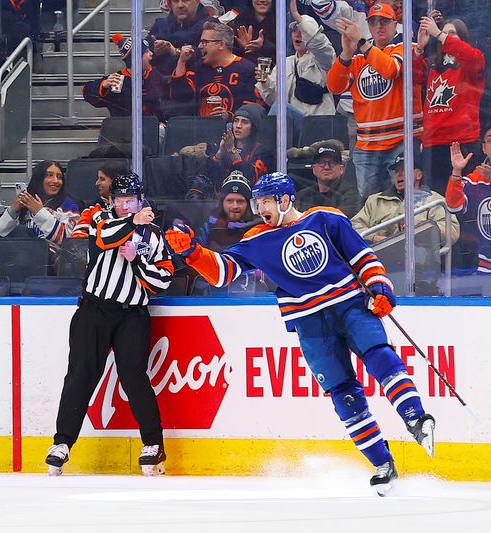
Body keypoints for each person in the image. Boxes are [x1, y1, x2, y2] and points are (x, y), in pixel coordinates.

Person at [165, 172, 435, 495]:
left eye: (265, 201)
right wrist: (194, 253)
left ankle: (416, 419)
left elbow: (362, 256)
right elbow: (223, 273)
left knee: (379, 355)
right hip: (309, 322)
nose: (259, 208)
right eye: (257, 202)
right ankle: (382, 463)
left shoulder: (326, 219)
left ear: (285, 199)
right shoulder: (257, 239)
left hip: (350, 304)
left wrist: (379, 286)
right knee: (342, 393)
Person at [45, 173, 173, 477]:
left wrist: (138, 261)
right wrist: (133, 224)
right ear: (111, 200)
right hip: (93, 310)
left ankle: (153, 444)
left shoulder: (154, 234)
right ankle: (62, 443)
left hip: (132, 314)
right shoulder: (100, 218)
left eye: (130, 200)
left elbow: (163, 280)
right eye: (119, 199)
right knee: (81, 375)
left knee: (133, 376)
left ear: (140, 201)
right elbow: (105, 238)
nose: (124, 205)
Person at [327, 3, 423, 199]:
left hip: (401, 140)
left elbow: (389, 70)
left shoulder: (407, 47)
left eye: (384, 21)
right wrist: (346, 53)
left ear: (395, 24)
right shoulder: (359, 57)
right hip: (367, 144)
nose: (378, 26)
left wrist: (361, 41)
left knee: (402, 199)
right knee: (369, 202)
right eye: (373, 22)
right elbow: (334, 87)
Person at [416, 16, 486, 196]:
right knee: (437, 200)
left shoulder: (473, 60)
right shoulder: (432, 63)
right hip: (433, 144)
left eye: (452, 34)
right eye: (445, 33)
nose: (446, 37)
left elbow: (470, 56)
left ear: (463, 38)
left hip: (462, 142)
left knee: (463, 198)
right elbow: (413, 80)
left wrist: (439, 34)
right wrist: (419, 49)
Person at [351, 153, 459, 246]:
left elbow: (452, 233)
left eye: (405, 169)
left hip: (420, 262)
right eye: (397, 170)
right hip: (378, 259)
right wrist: (375, 238)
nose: (399, 174)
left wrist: (420, 229)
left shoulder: (434, 200)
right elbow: (353, 227)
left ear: (419, 175)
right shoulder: (375, 201)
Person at [256, 2, 336, 117]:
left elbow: (319, 43)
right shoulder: (285, 63)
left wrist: (296, 15)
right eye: (294, 31)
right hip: (292, 127)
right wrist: (265, 83)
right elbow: (273, 101)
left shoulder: (324, 59)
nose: (297, 35)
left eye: (302, 31)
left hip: (319, 123)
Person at [170, 21, 258, 118]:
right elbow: (179, 96)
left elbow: (251, 107)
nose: (199, 46)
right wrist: (181, 62)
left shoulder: (247, 69)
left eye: (205, 42)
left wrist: (229, 116)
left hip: (232, 129)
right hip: (200, 128)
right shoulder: (198, 68)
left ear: (221, 44)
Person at [0, 160, 80, 246]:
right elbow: (0, 235)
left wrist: (39, 212)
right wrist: (13, 211)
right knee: (20, 231)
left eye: (60, 177)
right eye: (49, 175)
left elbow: (69, 241)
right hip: (22, 255)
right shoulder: (25, 205)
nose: (56, 181)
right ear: (39, 178)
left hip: (54, 257)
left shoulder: (69, 205)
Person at [82, 34, 166, 121]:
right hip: (124, 130)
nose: (151, 53)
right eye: (146, 51)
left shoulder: (155, 75)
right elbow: (87, 91)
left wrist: (163, 122)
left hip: (152, 129)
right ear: (136, 59)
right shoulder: (118, 80)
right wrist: (104, 85)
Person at [444, 138, 491, 273]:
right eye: (490, 140)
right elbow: (454, 206)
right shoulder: (476, 179)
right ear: (483, 148)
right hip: (486, 265)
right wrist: (456, 171)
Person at [201, 103, 274, 183]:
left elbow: (251, 178)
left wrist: (232, 150)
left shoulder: (263, 151)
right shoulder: (221, 145)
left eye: (245, 122)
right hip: (223, 193)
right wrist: (220, 153)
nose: (238, 126)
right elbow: (205, 178)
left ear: (254, 127)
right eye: (236, 121)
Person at [148, 0, 216, 76]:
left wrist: (176, 51)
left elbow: (210, 56)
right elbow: (143, 59)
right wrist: (154, 51)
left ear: (197, 1)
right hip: (160, 84)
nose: (180, 5)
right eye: (175, 1)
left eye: (185, 0)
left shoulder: (211, 26)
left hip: (198, 83)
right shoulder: (159, 26)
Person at [197, 170, 259, 250]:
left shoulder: (257, 228)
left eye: (240, 201)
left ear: (248, 204)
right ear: (222, 203)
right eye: (230, 201)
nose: (235, 206)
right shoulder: (208, 227)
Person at [295, 143, 361, 218]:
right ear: (314, 169)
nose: (326, 167)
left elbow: (341, 220)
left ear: (341, 169)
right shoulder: (302, 196)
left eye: (332, 163)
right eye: (321, 163)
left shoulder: (351, 194)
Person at [71, 160, 126, 238]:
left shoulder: (137, 207)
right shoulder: (92, 210)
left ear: (116, 181)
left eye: (102, 179)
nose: (97, 183)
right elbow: (78, 238)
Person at [229, 0, 276, 64]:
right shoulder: (241, 19)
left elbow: (287, 51)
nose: (262, 0)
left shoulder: (282, 20)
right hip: (244, 67)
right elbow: (230, 52)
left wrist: (263, 46)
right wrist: (244, 48)